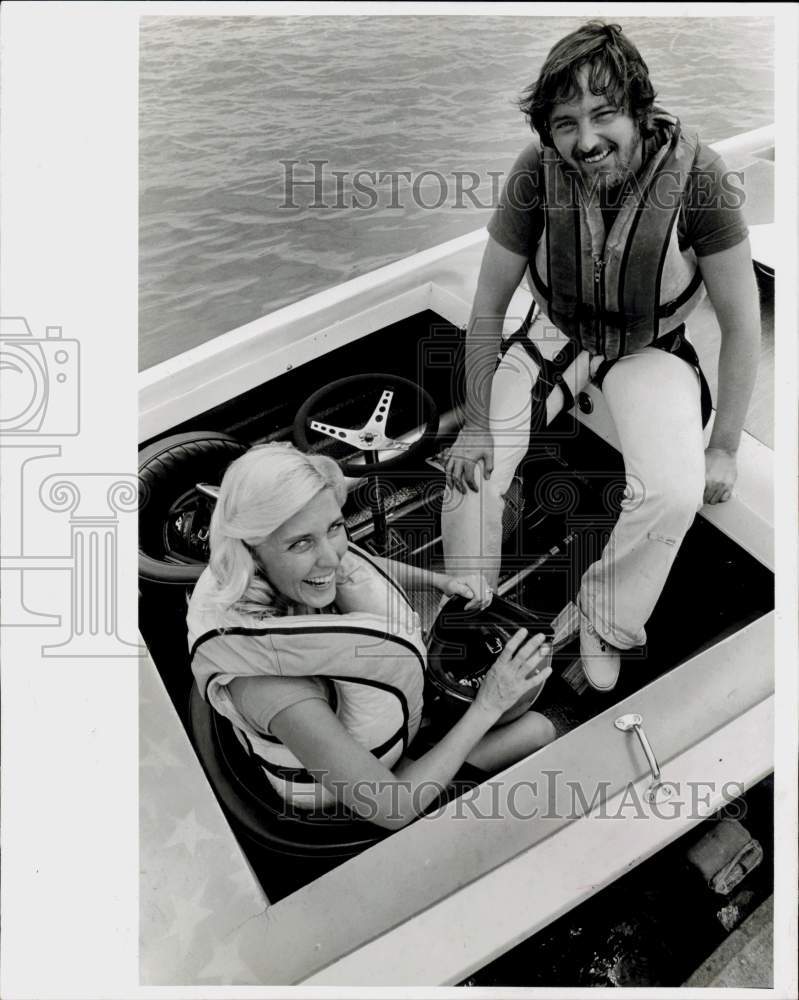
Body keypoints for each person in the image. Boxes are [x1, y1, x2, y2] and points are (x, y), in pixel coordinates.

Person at [443, 21, 761, 692]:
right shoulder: (534, 174)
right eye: (564, 123)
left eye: (602, 113)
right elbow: (485, 307)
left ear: (639, 111)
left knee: (672, 492)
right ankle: (464, 596)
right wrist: (474, 423)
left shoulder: (699, 178)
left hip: (650, 348)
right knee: (474, 467)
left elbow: (739, 324)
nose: (584, 140)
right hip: (554, 332)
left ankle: (604, 616)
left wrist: (724, 445)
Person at [187, 442, 556, 830]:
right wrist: (489, 703)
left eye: (334, 527)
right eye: (301, 543)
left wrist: (440, 581)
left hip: (383, 719)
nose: (331, 556)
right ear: (253, 552)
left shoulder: (275, 569)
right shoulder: (271, 687)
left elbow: (357, 568)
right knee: (538, 730)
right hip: (358, 797)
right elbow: (389, 809)